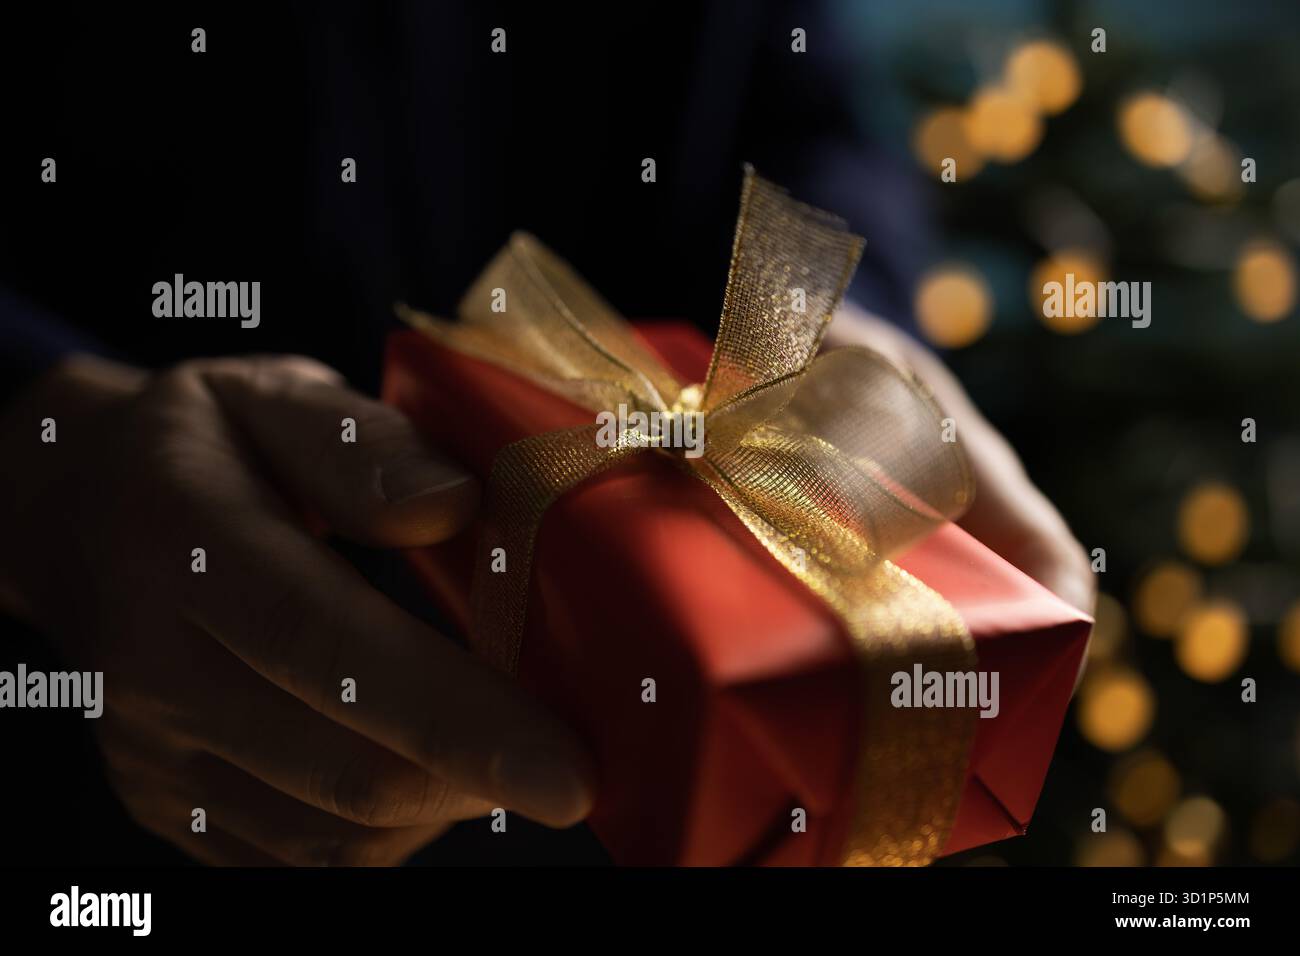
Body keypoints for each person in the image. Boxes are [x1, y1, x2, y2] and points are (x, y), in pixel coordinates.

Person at [0, 3, 1093, 866]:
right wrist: (35, 446)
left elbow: (803, 97)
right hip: (110, 747)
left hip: (655, 775)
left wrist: (847, 322)